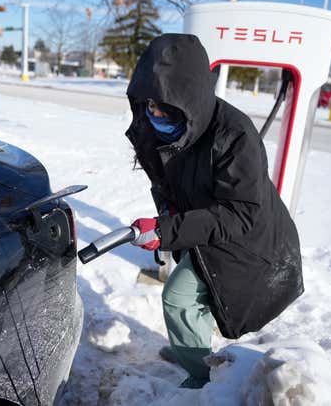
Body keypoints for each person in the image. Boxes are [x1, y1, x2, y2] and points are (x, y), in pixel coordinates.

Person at [125, 34, 303, 388]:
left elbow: (241, 213)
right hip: (203, 228)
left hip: (249, 242)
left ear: (188, 98)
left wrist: (167, 231)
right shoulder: (160, 128)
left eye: (164, 107)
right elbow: (166, 182)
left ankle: (207, 382)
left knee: (179, 298)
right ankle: (194, 348)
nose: (154, 114)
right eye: (149, 104)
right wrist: (169, 219)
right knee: (191, 303)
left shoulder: (234, 135)